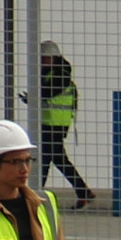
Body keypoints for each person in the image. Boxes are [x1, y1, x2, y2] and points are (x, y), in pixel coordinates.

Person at [35, 42, 91, 206]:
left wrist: (34, 97)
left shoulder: (61, 74)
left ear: (54, 58)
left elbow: (49, 92)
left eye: (46, 58)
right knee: (57, 158)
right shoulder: (49, 72)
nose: (43, 61)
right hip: (49, 122)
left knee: (45, 158)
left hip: (56, 123)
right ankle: (83, 191)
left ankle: (34, 193)